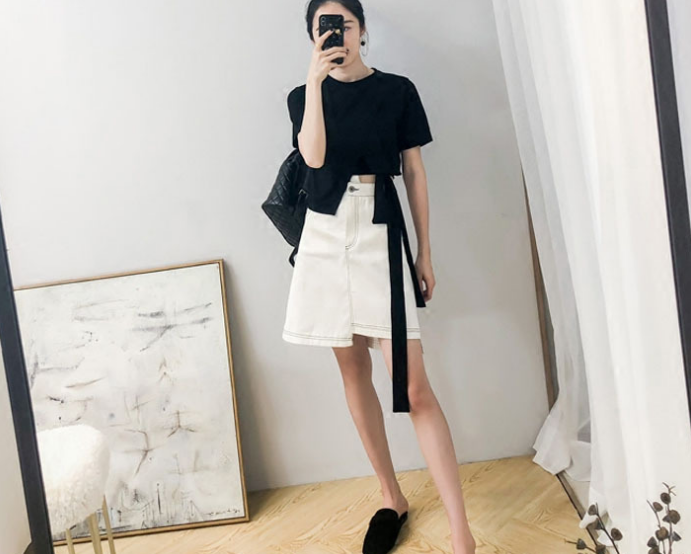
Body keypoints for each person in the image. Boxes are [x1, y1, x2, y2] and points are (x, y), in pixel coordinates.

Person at [282, 2, 476, 553]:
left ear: (363, 29)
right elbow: (313, 158)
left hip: (378, 231)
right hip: (324, 237)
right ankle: (392, 497)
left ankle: (462, 534)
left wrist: (425, 253)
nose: (335, 35)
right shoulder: (301, 96)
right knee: (352, 369)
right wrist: (314, 82)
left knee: (412, 387)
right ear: (312, 38)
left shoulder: (397, 90)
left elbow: (413, 171)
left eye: (343, 24)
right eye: (322, 28)